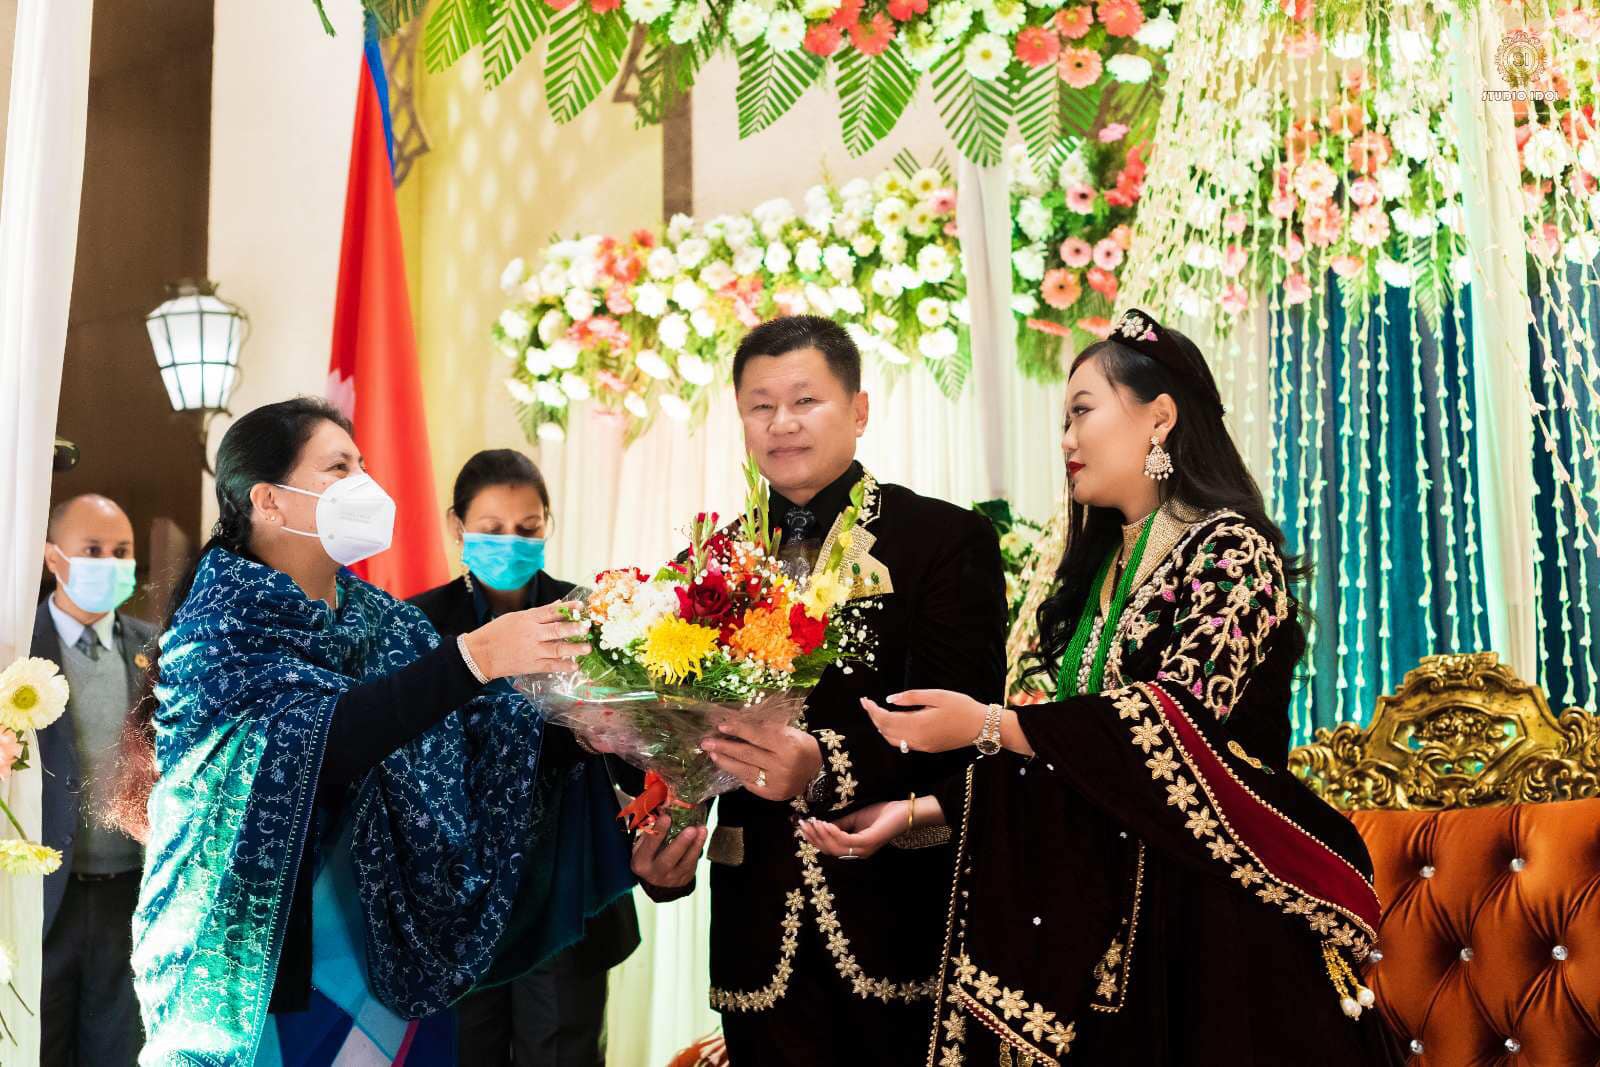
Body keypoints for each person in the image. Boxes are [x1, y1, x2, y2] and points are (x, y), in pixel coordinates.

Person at [800, 308, 1404, 1065]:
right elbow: (1069, 760)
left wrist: (990, 724)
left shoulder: (1231, 553)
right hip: (1104, 917)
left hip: (1211, 925)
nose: (1066, 440)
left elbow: (1171, 725)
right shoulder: (1100, 574)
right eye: (1064, 420)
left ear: (1160, 418)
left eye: (1082, 411)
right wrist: (917, 811)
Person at [109, 397, 634, 1066]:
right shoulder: (217, 627)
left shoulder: (381, 619)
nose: (364, 484)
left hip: (389, 950)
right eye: (338, 468)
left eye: (362, 465)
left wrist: (581, 730)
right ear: (269, 500)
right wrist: (475, 657)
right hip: (257, 969)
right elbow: (312, 745)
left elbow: (473, 731)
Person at [632, 315, 1009, 1065]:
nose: (782, 423)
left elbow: (964, 729)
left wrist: (823, 764)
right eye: (760, 406)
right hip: (753, 923)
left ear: (859, 410)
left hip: (896, 913)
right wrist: (665, 830)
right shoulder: (710, 561)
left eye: (805, 400)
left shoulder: (941, 540)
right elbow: (682, 736)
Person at [410, 449, 640, 1067]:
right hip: (458, 888)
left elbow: (636, 749)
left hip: (569, 872)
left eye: (527, 527)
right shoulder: (418, 623)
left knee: (560, 1049)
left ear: (548, 526)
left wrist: (619, 740)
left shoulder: (592, 616)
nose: (510, 542)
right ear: (457, 525)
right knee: (464, 1050)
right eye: (492, 529)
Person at [34, 494, 153, 1066]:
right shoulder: (14, 644)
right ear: (53, 557)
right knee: (36, 1044)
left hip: (130, 891)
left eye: (121, 551)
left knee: (120, 1049)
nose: (110, 563)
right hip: (40, 894)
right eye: (93, 550)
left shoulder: (156, 647)